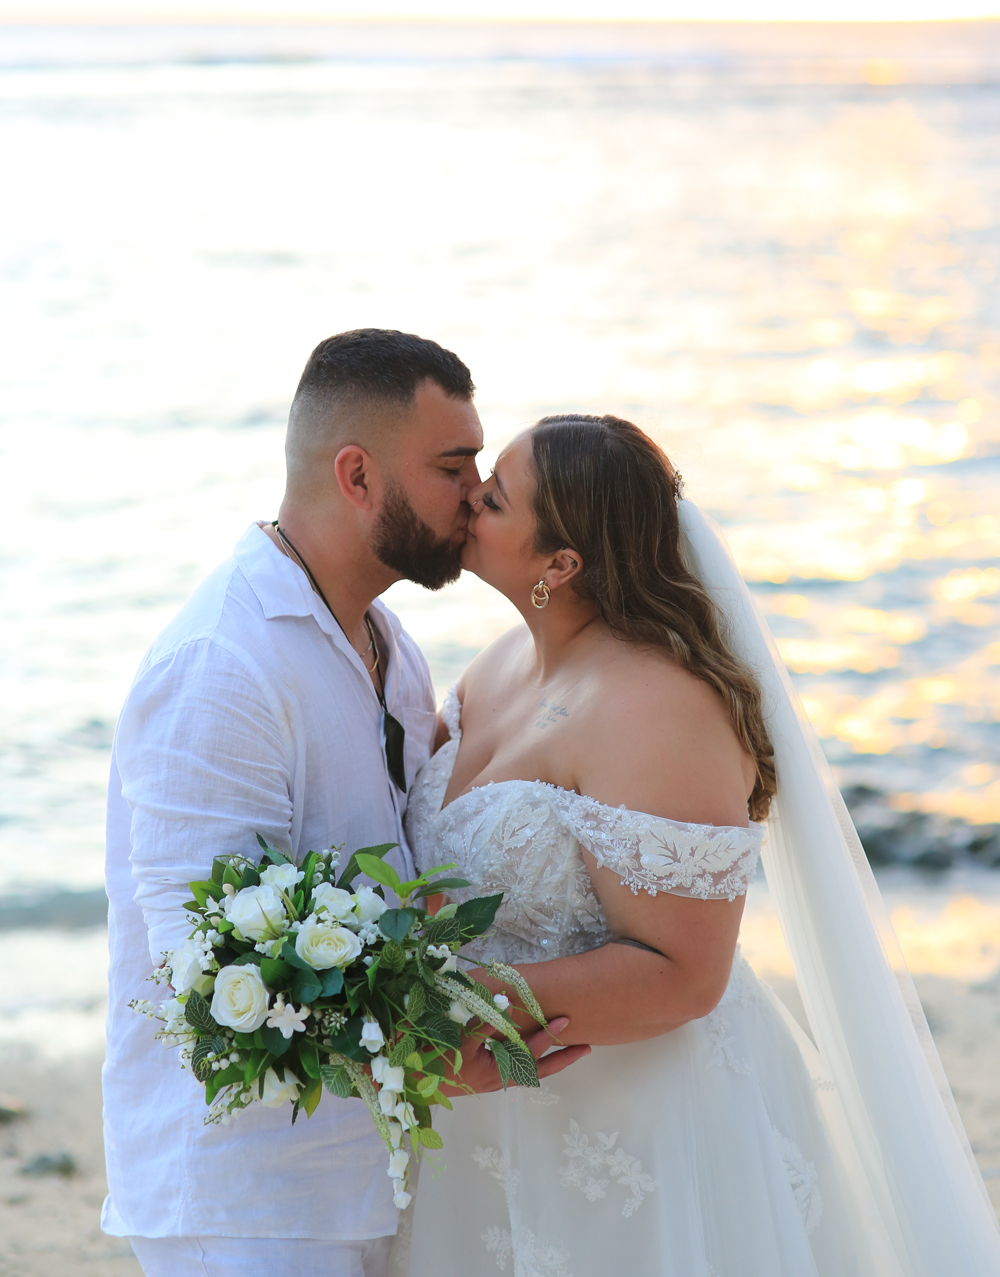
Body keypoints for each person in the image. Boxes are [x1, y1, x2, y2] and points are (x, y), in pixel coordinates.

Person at [402, 413, 1000, 1277]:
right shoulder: (497, 664)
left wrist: (465, 1009)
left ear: (560, 564)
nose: (467, 503)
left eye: (493, 499)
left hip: (631, 1124)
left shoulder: (659, 707)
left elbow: (685, 971)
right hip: (485, 1108)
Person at [101, 331, 587, 1277]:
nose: (477, 492)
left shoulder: (391, 644)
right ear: (357, 475)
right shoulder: (223, 664)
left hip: (378, 1173)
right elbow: (203, 970)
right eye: (454, 465)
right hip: (248, 1194)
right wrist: (433, 1059)